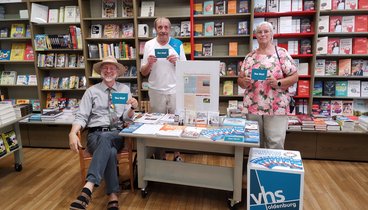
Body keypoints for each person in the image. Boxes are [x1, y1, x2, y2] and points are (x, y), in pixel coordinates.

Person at [69, 56, 138, 210]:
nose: (108, 71)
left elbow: (126, 117)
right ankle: (113, 196)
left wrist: (133, 107)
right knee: (111, 152)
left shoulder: (124, 90)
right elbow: (81, 116)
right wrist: (72, 133)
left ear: (117, 72)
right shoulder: (91, 91)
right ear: (100, 71)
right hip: (95, 135)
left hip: (116, 133)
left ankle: (88, 189)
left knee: (108, 138)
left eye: (112, 68)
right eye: (105, 68)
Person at [237, 21, 298, 149]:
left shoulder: (281, 53)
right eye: (259, 32)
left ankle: (272, 168)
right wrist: (244, 82)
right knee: (253, 141)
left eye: (266, 31)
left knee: (275, 141)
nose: (262, 34)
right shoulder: (250, 56)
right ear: (256, 35)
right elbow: (240, 80)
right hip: (253, 106)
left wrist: (278, 83)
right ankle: (254, 168)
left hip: (276, 106)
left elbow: (294, 77)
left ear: (271, 35)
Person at [140, 17, 186, 161]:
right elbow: (143, 72)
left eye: (166, 27)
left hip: (175, 90)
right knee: (158, 125)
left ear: (170, 29)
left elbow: (186, 70)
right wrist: (149, 63)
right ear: (155, 29)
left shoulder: (177, 44)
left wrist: (177, 62)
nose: (163, 30)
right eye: (160, 27)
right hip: (155, 91)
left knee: (177, 123)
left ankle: (177, 154)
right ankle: (161, 155)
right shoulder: (149, 45)